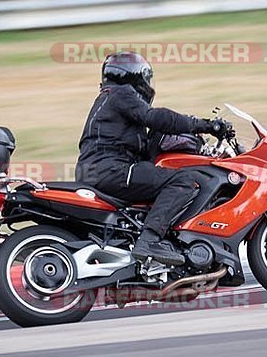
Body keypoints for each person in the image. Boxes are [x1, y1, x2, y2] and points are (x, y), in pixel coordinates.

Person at [75, 51, 228, 266]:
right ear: (134, 76)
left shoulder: (109, 100)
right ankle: (149, 241)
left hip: (102, 169)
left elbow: (145, 142)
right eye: (146, 77)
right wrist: (203, 124)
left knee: (158, 174)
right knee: (182, 181)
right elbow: (154, 117)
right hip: (111, 169)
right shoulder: (121, 94)